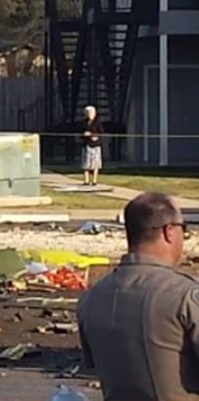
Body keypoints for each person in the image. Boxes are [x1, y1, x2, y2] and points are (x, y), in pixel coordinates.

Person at [77, 192, 199, 400]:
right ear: (169, 231)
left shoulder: (91, 298)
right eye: (183, 229)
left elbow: (93, 366)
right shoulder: (184, 295)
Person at [82, 105, 104, 186]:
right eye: (88, 113)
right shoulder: (84, 122)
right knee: (86, 163)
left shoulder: (98, 122)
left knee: (96, 163)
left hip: (96, 144)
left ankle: (94, 180)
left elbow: (101, 132)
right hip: (86, 144)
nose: (90, 114)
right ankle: (86, 180)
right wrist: (84, 134)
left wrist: (93, 135)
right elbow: (80, 132)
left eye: (91, 112)